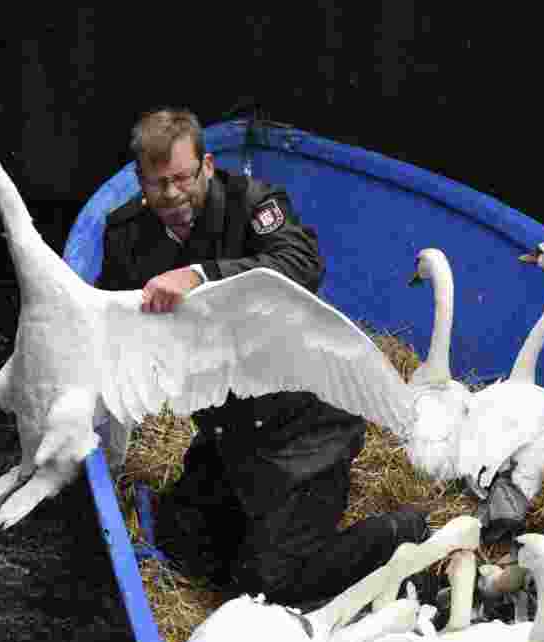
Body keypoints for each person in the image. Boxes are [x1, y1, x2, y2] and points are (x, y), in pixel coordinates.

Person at [97, 106, 432, 607]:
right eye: (158, 183)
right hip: (228, 430)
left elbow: (300, 264)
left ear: (207, 166)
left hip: (304, 435)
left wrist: (200, 276)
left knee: (269, 589)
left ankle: (401, 534)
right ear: (139, 181)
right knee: (182, 545)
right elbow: (106, 321)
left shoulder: (252, 205)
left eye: (184, 178)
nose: (173, 196)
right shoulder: (127, 236)